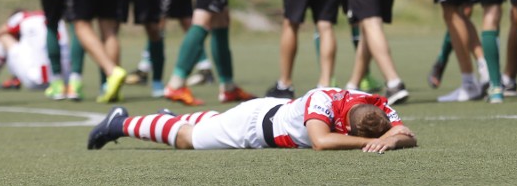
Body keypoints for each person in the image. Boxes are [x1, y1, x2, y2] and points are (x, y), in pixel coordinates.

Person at [87, 87, 416, 152]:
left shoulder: (373, 104)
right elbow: (321, 141)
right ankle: (118, 124)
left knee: (208, 123)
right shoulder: (323, 103)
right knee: (189, 140)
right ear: (345, 122)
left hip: (265, 111)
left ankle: (169, 119)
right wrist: (374, 142)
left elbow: (406, 133)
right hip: (253, 127)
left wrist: (393, 136)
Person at [0, 9, 70, 91]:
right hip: (64, 80)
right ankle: (16, 77)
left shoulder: (21, 17)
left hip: (36, 81)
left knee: (4, 38)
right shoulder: (51, 14)